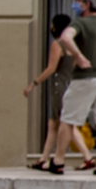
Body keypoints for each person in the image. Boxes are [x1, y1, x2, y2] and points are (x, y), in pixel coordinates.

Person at [23, 12, 86, 174]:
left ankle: (88, 157)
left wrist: (34, 83)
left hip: (59, 87)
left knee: (66, 123)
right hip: (71, 85)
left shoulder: (58, 44)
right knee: (53, 124)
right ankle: (43, 159)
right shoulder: (74, 45)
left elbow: (51, 68)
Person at [61, 0, 96, 176]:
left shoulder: (81, 23)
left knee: (68, 119)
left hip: (86, 77)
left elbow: (65, 37)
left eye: (79, 1)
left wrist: (79, 56)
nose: (76, 4)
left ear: (87, 5)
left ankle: (58, 160)